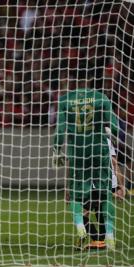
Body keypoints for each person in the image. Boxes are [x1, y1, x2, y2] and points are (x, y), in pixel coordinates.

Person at [53, 74, 119, 250]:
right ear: (90, 79)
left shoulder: (65, 100)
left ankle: (80, 227)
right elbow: (115, 127)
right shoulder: (101, 98)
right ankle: (110, 235)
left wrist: (56, 150)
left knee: (75, 196)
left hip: (78, 153)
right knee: (105, 194)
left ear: (72, 81)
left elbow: (60, 131)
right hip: (99, 150)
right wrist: (108, 129)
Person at [74, 136, 125, 250]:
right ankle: (103, 239)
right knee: (100, 210)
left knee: (82, 212)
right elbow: (115, 163)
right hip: (109, 182)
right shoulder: (106, 141)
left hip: (94, 182)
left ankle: (96, 239)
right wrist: (121, 186)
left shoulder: (82, 140)